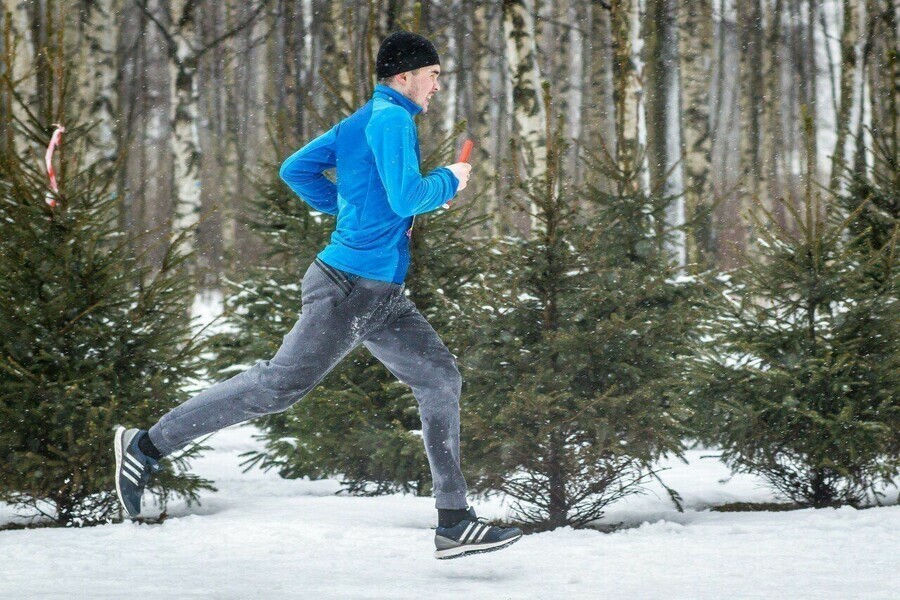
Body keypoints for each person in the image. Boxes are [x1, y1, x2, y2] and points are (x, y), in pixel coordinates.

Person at [114, 31, 522, 560]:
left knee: (440, 377)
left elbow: (297, 169)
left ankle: (453, 521)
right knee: (277, 387)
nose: (438, 86)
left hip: (381, 294)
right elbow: (406, 196)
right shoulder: (392, 119)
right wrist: (449, 179)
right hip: (349, 287)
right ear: (405, 76)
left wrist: (351, 211)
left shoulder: (362, 122)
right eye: (433, 75)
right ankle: (146, 446)